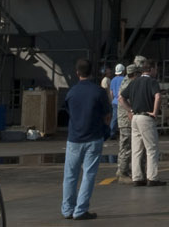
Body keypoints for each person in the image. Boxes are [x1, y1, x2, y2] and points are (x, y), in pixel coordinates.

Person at [60, 58, 110, 222]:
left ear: (77, 73)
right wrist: (105, 129)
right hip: (93, 137)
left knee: (70, 175)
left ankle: (67, 209)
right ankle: (80, 210)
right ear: (92, 73)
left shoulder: (71, 92)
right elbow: (107, 114)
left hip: (74, 138)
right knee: (88, 175)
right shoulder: (98, 92)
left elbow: (68, 111)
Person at [121, 58, 166, 185]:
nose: (156, 72)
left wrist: (130, 110)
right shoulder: (152, 82)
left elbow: (121, 98)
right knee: (151, 149)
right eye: (156, 69)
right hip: (146, 117)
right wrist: (155, 112)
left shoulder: (134, 82)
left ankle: (137, 177)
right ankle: (152, 177)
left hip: (135, 117)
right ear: (151, 69)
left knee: (136, 149)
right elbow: (157, 96)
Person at [115, 61, 141, 180]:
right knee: (126, 146)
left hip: (125, 119)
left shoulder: (126, 81)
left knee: (125, 146)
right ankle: (123, 172)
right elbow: (122, 99)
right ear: (134, 74)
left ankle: (122, 169)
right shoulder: (128, 84)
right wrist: (130, 111)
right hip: (126, 120)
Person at [106, 64, 124, 141]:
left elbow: (111, 92)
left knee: (114, 118)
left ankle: (112, 133)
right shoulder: (124, 79)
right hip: (123, 101)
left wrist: (112, 100)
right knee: (123, 118)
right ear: (123, 71)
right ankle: (122, 133)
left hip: (114, 101)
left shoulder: (113, 80)